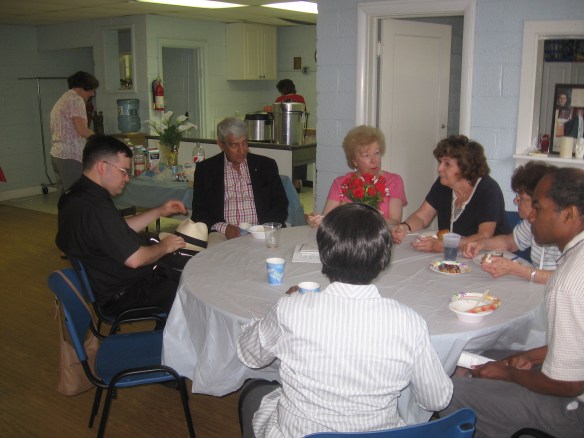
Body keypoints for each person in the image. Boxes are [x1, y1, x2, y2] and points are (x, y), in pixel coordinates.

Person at [237, 203, 452, 437]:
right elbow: (436, 399)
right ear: (384, 260)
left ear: (323, 255)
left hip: (298, 432)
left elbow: (251, 356)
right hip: (377, 432)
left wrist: (283, 305)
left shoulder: (290, 308)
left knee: (253, 390)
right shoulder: (409, 323)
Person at [439, 168, 584, 437]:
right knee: (487, 357)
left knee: (448, 392)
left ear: (569, 214)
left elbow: (569, 384)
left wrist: (507, 374)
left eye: (538, 208)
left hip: (574, 410)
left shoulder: (568, 284)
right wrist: (528, 356)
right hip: (569, 380)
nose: (530, 217)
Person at [56, 135, 188, 317]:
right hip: (122, 294)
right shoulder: (95, 207)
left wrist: (159, 211)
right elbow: (135, 259)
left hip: (111, 285)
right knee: (190, 287)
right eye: (123, 171)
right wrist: (164, 247)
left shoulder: (75, 195)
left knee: (178, 266)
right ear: (102, 167)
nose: (127, 178)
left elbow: (114, 229)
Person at [391, 135, 510, 253]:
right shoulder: (444, 184)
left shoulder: (488, 189)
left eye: (447, 164)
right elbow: (421, 216)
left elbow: (485, 235)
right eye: (440, 162)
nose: (440, 168)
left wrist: (449, 245)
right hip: (455, 255)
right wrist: (405, 227)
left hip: (489, 255)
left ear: (465, 167)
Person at [192, 117, 288, 242]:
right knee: (215, 253)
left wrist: (261, 228)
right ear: (221, 144)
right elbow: (199, 212)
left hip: (262, 230)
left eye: (244, 143)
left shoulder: (266, 166)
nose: (242, 150)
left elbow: (280, 204)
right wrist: (224, 227)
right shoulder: (206, 170)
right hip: (223, 234)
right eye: (234, 145)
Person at [463, 161, 560, 284]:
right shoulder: (532, 222)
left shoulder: (565, 231)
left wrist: (518, 270)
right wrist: (480, 244)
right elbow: (510, 242)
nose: (515, 201)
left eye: (521, 198)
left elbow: (565, 279)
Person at [308, 125, 407, 227]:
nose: (374, 160)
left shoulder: (394, 181)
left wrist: (370, 219)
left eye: (377, 153)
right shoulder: (340, 183)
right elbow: (327, 218)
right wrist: (317, 220)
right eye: (366, 155)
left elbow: (395, 222)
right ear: (355, 161)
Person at [50, 71, 99, 196]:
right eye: (91, 90)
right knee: (76, 195)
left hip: (57, 154)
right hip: (70, 156)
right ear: (83, 87)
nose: (92, 94)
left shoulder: (63, 99)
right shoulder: (76, 100)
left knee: (64, 195)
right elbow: (82, 130)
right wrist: (100, 140)